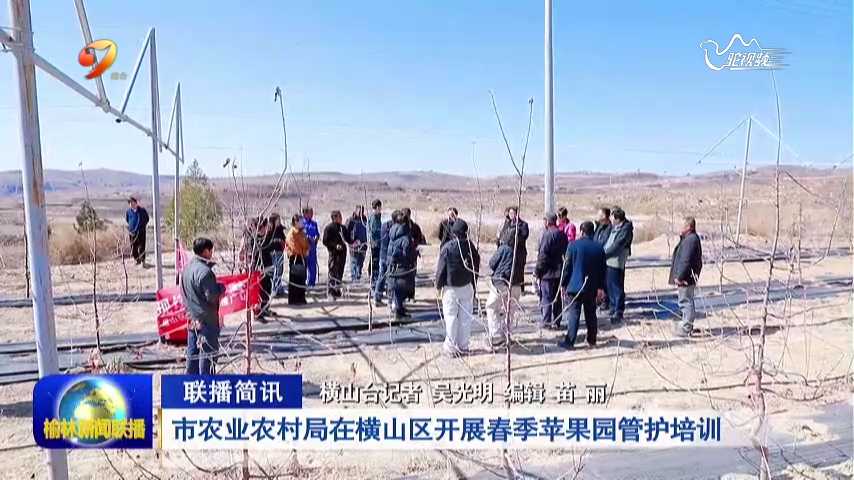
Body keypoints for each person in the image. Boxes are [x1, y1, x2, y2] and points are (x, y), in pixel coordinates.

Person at [559, 221, 606, 350]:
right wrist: (601, 287)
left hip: (574, 286)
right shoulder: (599, 247)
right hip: (591, 287)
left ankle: (570, 341)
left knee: (574, 314)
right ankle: (592, 340)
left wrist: (563, 284)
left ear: (582, 232)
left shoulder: (573, 245)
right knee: (591, 314)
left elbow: (567, 267)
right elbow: (602, 270)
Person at [435, 219, 480, 356]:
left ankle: (451, 347)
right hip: (466, 285)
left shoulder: (448, 248)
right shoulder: (470, 247)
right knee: (465, 318)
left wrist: (438, 285)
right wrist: (474, 283)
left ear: (453, 233)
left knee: (451, 317)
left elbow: (441, 269)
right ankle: (463, 345)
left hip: (451, 288)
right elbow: (476, 265)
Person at [182, 237, 224, 375]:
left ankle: (190, 382)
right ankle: (206, 383)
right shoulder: (205, 272)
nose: (212, 253)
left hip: (192, 319)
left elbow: (183, 293)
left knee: (192, 355)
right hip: (207, 321)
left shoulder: (186, 269)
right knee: (208, 357)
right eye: (211, 251)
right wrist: (220, 288)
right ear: (206, 251)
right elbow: (212, 297)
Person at [485, 228, 520, 347]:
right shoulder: (520, 251)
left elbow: (492, 263)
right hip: (516, 284)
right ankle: (507, 335)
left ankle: (496, 335)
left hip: (502, 283)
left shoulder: (504, 248)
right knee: (509, 311)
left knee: (491, 307)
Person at [669, 216, 703, 337]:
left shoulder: (690, 240)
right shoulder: (688, 239)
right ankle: (686, 325)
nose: (680, 227)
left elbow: (686, 260)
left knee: (685, 301)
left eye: (682, 225)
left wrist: (680, 276)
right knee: (685, 300)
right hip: (688, 276)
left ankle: (686, 328)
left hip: (686, 277)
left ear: (688, 227)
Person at [535, 212, 568, 329]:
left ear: (548, 222)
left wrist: (537, 271)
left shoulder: (547, 235)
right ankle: (557, 321)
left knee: (546, 297)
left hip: (547, 272)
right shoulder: (562, 234)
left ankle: (546, 322)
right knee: (557, 298)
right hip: (559, 271)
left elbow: (543, 256)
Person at [603, 207, 634, 325]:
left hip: (616, 261)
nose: (610, 219)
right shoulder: (614, 227)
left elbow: (617, 246)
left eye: (612, 218)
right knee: (609, 285)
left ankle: (618, 311)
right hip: (608, 260)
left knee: (617, 287)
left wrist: (604, 254)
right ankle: (612, 307)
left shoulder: (625, 229)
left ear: (617, 219)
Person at [387, 210, 416, 318]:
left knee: (397, 290)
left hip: (393, 266)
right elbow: (406, 254)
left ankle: (400, 309)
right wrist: (414, 254)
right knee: (400, 290)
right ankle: (399, 312)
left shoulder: (393, 234)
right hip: (402, 268)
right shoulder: (405, 238)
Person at [497, 206, 529, 292]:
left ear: (516, 214)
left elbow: (524, 236)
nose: (511, 215)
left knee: (519, 271)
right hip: (508, 253)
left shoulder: (523, 225)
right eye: (510, 213)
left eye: (512, 213)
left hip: (519, 252)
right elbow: (503, 236)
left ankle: (521, 288)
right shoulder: (507, 224)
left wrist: (514, 236)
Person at [322, 210, 350, 299]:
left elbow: (348, 238)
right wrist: (335, 246)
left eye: (341, 216)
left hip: (342, 253)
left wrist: (354, 242)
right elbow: (325, 241)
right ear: (334, 218)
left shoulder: (343, 228)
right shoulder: (329, 228)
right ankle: (330, 292)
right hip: (333, 254)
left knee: (340, 272)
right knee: (332, 272)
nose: (341, 218)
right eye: (339, 216)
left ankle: (337, 290)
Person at [285, 214, 310, 305]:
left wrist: (307, 249)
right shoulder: (291, 233)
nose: (302, 223)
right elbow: (294, 247)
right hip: (296, 258)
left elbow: (306, 243)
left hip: (302, 257)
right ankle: (294, 299)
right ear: (296, 222)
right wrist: (304, 251)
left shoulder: (302, 232)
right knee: (295, 279)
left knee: (302, 279)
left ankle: (301, 298)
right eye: (301, 221)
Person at [593, 206, 613, 312]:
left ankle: (606, 301)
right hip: (597, 256)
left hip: (604, 258)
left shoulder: (609, 228)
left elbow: (604, 242)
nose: (597, 216)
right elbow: (595, 238)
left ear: (604, 216)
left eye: (599, 214)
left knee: (605, 281)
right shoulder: (599, 227)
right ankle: (599, 299)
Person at [401, 208, 424, 302]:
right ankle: (403, 295)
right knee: (403, 276)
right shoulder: (400, 227)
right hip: (403, 255)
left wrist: (415, 242)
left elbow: (420, 238)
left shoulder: (415, 227)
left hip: (413, 254)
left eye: (407, 215)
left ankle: (411, 296)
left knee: (412, 275)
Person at [373, 211, 395, 307]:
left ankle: (377, 297)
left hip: (382, 255)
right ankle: (390, 300)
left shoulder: (384, 226)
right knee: (391, 278)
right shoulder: (394, 228)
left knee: (381, 277)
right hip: (389, 256)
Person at [125, 197, 149, 265]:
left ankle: (143, 261)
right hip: (132, 232)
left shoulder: (142, 210)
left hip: (141, 232)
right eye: (130, 203)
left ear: (136, 203)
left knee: (142, 247)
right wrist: (131, 228)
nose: (132, 205)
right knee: (133, 247)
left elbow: (147, 219)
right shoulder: (128, 212)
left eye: (133, 203)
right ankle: (137, 260)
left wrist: (142, 227)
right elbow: (127, 220)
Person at [347, 205, 369, 281]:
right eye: (359, 211)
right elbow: (346, 232)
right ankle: (354, 277)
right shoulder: (351, 220)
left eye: (362, 211)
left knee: (360, 261)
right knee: (354, 261)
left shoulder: (364, 219)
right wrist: (351, 242)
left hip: (363, 244)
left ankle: (358, 276)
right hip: (354, 245)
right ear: (355, 211)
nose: (360, 213)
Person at [268, 213, 287, 296]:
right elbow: (267, 241)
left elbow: (284, 238)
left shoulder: (280, 229)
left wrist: (282, 241)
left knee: (280, 270)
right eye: (278, 220)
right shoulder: (269, 230)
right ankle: (274, 288)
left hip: (280, 251)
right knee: (275, 271)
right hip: (272, 253)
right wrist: (275, 241)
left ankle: (279, 287)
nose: (279, 221)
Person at [302, 207, 320, 287]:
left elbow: (317, 233)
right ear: (305, 214)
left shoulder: (314, 223)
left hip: (312, 248)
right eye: (310, 213)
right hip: (304, 248)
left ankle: (311, 283)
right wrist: (308, 237)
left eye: (312, 213)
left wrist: (316, 237)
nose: (312, 214)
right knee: (304, 266)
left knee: (312, 266)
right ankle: (303, 282)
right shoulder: (301, 223)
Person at [367, 199, 383, 288]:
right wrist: (373, 242)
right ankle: (373, 279)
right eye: (380, 207)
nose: (381, 209)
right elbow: (372, 232)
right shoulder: (373, 218)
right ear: (377, 207)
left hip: (378, 243)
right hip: (375, 244)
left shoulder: (377, 217)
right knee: (374, 262)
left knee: (375, 261)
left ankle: (374, 278)